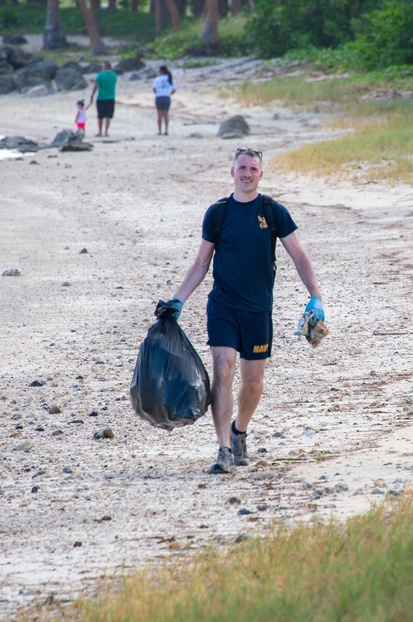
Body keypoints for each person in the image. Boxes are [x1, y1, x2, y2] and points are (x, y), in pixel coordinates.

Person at [161, 147, 325, 474]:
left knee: (252, 383)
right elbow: (200, 264)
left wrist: (315, 296)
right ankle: (223, 449)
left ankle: (239, 432)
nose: (247, 173)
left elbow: (299, 256)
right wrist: (177, 300)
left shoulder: (273, 211)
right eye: (242, 168)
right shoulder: (218, 213)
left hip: (258, 310)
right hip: (223, 305)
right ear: (232, 172)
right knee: (223, 368)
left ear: (261, 174)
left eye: (253, 168)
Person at [87, 62, 117, 138]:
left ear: (105, 67)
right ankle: (106, 132)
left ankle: (100, 132)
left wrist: (92, 95)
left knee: (100, 116)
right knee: (108, 116)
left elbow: (96, 86)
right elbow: (107, 82)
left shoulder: (100, 75)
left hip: (101, 98)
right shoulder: (114, 75)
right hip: (111, 97)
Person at [152, 65, 178, 136]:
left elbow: (154, 89)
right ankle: (166, 130)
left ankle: (159, 131)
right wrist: (170, 93)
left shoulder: (157, 79)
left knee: (159, 114)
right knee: (166, 114)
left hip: (159, 97)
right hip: (167, 97)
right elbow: (174, 88)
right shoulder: (170, 79)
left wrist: (157, 93)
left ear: (161, 71)